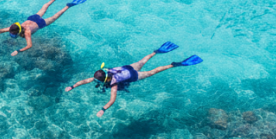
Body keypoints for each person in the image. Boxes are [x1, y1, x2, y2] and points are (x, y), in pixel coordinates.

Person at [65, 42, 202, 117]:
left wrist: (103, 109)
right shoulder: (105, 73)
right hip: (126, 68)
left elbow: (112, 100)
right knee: (143, 60)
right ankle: (157, 51)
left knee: (152, 72)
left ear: (104, 79)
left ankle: (174, 64)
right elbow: (84, 81)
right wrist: (72, 86)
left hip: (133, 75)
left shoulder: (114, 83)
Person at [0, 0, 87, 56]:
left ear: (18, 31)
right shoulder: (13, 27)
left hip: (39, 23)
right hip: (32, 18)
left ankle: (68, 5)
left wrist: (18, 50)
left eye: (14, 34)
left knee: (55, 16)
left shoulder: (27, 32)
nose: (13, 35)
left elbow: (29, 45)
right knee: (43, 8)